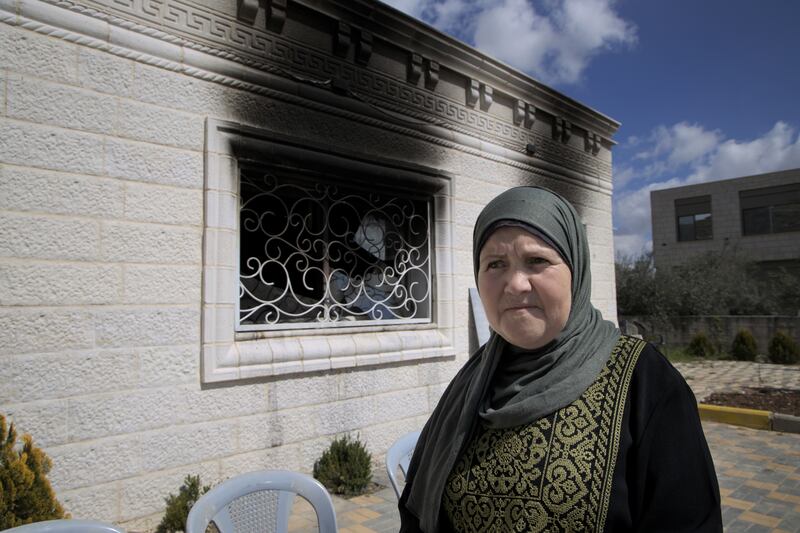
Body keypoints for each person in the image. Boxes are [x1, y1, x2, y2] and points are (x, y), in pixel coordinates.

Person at [399, 186, 722, 532]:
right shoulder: (473, 381)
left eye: (537, 261)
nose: (515, 284)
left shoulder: (646, 384)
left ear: (576, 270)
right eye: (495, 264)